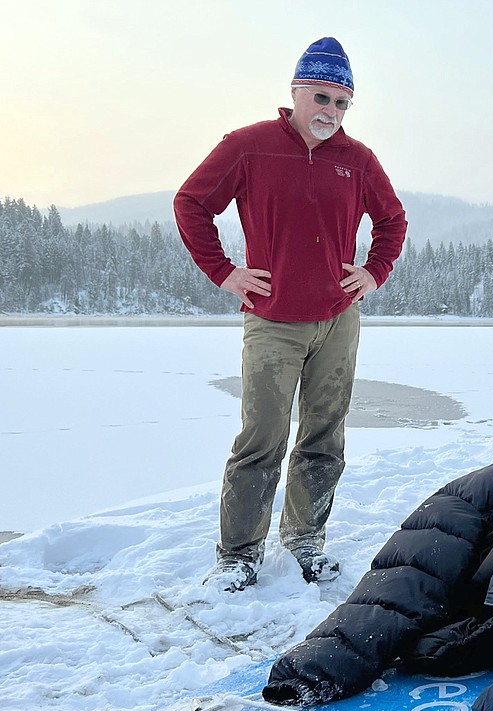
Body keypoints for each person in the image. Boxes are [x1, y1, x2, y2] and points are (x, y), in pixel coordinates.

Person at [174, 37, 407, 591]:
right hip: (273, 319)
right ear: (297, 92)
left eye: (342, 103)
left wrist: (373, 272)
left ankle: (305, 540)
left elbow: (393, 220)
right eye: (322, 97)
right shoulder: (249, 146)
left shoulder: (358, 160)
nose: (331, 111)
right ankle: (239, 555)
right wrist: (224, 272)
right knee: (262, 437)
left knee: (324, 436)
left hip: (337, 319)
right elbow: (191, 203)